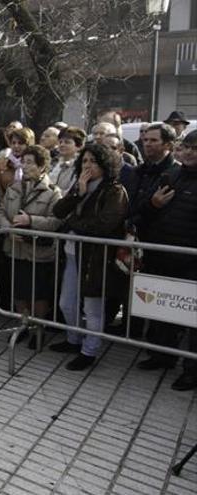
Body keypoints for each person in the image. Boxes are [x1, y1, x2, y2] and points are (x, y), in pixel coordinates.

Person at [50, 143, 128, 371]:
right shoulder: (80, 185)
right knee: (67, 303)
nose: (88, 166)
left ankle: (89, 350)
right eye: (84, 161)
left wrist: (72, 223)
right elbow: (58, 211)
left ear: (105, 164)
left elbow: (103, 225)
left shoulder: (114, 190)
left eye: (93, 161)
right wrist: (77, 193)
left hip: (97, 257)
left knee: (92, 308)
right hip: (73, 253)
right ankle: (73, 339)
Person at [133, 130, 197, 390]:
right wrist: (154, 204)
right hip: (161, 255)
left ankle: (191, 370)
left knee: (192, 320)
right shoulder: (171, 176)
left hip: (191, 262)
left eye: (196, 148)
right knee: (162, 311)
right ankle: (162, 355)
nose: (191, 152)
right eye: (188, 147)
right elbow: (143, 212)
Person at [0, 145, 62, 346]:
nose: (25, 166)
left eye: (30, 162)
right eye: (23, 162)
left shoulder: (53, 192)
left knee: (38, 294)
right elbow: (0, 210)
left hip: (39, 253)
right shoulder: (14, 188)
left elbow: (56, 221)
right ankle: (24, 324)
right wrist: (8, 229)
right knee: (20, 292)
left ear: (42, 167)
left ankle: (37, 330)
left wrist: (30, 220)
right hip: (15, 249)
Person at [49, 127, 86, 194]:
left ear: (79, 146)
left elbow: (70, 192)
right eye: (60, 142)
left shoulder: (79, 166)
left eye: (67, 142)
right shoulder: (53, 163)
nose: (62, 145)